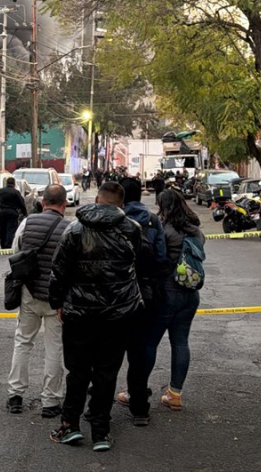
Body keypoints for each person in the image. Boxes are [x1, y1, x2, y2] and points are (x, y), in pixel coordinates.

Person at [48, 182, 143, 452]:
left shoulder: (74, 230)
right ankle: (101, 431)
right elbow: (138, 267)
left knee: (77, 371)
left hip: (78, 312)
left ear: (97, 199)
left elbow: (59, 271)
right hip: (118, 313)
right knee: (106, 372)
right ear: (121, 205)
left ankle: (70, 425)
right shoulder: (132, 230)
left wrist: (57, 303)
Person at [120, 187, 203, 421]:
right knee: (180, 342)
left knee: (149, 342)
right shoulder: (195, 230)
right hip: (190, 292)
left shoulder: (163, 229)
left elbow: (157, 258)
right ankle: (175, 393)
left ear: (162, 205)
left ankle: (136, 391)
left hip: (166, 292)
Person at [5, 184, 69, 417]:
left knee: (23, 342)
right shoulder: (69, 228)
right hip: (56, 299)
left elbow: (15, 253)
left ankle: (15, 395)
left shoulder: (27, 223)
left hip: (29, 294)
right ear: (64, 204)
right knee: (55, 348)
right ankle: (50, 402)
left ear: (43, 203)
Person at [113, 177, 167, 424]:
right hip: (145, 294)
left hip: (115, 295)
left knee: (109, 353)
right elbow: (162, 257)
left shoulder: (114, 220)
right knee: (139, 352)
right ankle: (140, 409)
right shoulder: (153, 220)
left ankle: (100, 405)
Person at [0, 177, 29, 250]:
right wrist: (25, 213)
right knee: (11, 229)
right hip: (12, 211)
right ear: (14, 184)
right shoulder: (16, 192)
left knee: (3, 228)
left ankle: (3, 244)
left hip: (2, 211)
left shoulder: (0, 191)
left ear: (6, 183)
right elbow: (21, 203)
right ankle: (9, 244)